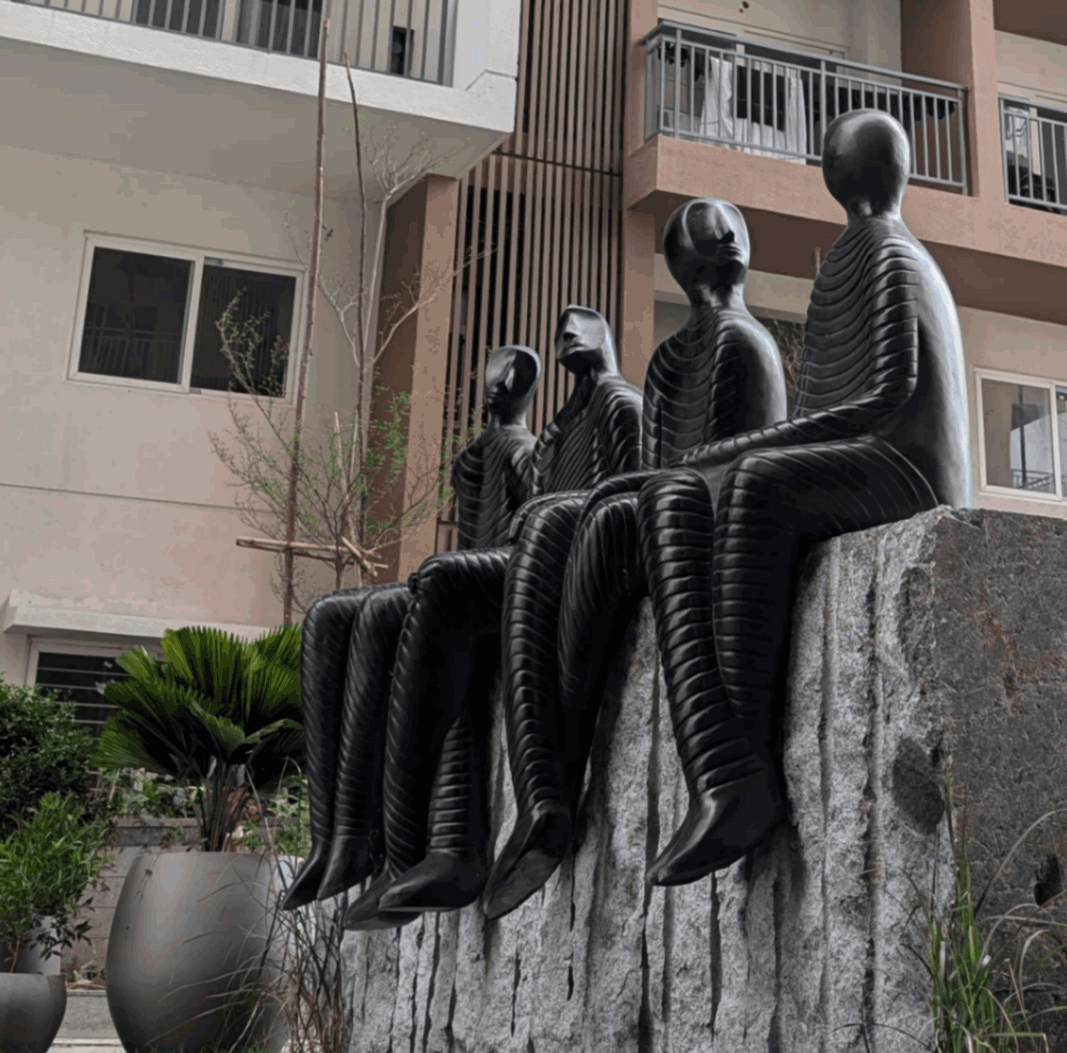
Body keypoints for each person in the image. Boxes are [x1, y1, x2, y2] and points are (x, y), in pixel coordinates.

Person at [641, 109, 970, 889]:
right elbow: (823, 411)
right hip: (865, 450)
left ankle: (746, 768)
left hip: (906, 467)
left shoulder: (890, 252)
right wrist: (730, 454)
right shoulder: (844, 261)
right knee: (688, 497)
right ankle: (722, 772)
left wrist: (741, 448)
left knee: (753, 482)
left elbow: (886, 394)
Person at [484, 198, 786, 921]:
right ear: (682, 262)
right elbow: (651, 468)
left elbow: (750, 460)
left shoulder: (748, 343)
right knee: (551, 528)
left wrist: (621, 490)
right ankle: (543, 796)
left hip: (709, 515)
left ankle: (593, 772)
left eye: (729, 227)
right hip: (658, 507)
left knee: (588, 514)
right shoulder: (670, 357)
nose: (724, 236)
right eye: (707, 231)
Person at [360, 306, 641, 918]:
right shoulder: (556, 430)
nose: (568, 334)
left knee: (440, 585)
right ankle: (381, 846)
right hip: (535, 551)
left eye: (582, 325)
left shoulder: (620, 404)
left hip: (571, 555)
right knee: (383, 611)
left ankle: (446, 840)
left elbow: (629, 490)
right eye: (561, 325)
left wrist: (541, 517)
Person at [281, 340, 539, 915]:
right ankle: (339, 836)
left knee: (415, 613)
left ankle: (414, 848)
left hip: (502, 580)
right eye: (491, 373)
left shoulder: (527, 453)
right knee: (331, 614)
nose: (497, 384)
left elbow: (533, 533)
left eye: (510, 374)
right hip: (467, 574)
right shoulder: (473, 456)